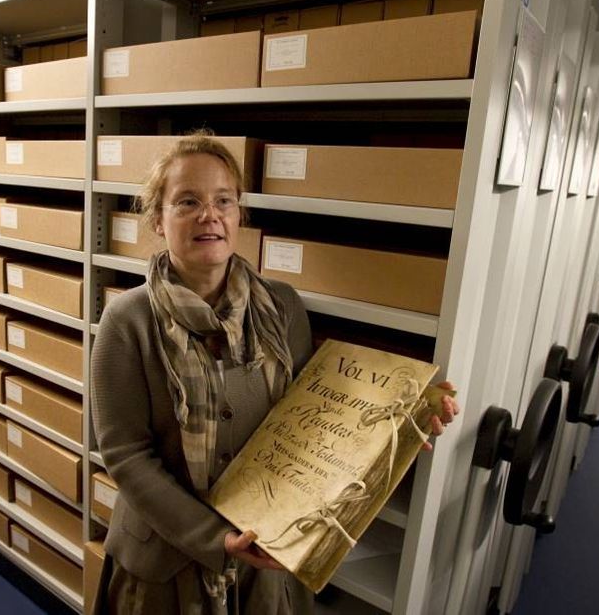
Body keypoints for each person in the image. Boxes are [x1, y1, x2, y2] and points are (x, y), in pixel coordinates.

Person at [90, 132, 458, 614]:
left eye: (224, 200)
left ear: (239, 214)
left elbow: (315, 419)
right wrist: (216, 538)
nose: (210, 215)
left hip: (269, 551)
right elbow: (126, 454)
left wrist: (405, 420)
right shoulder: (128, 321)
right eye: (187, 202)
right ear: (157, 220)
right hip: (164, 562)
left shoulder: (281, 307)